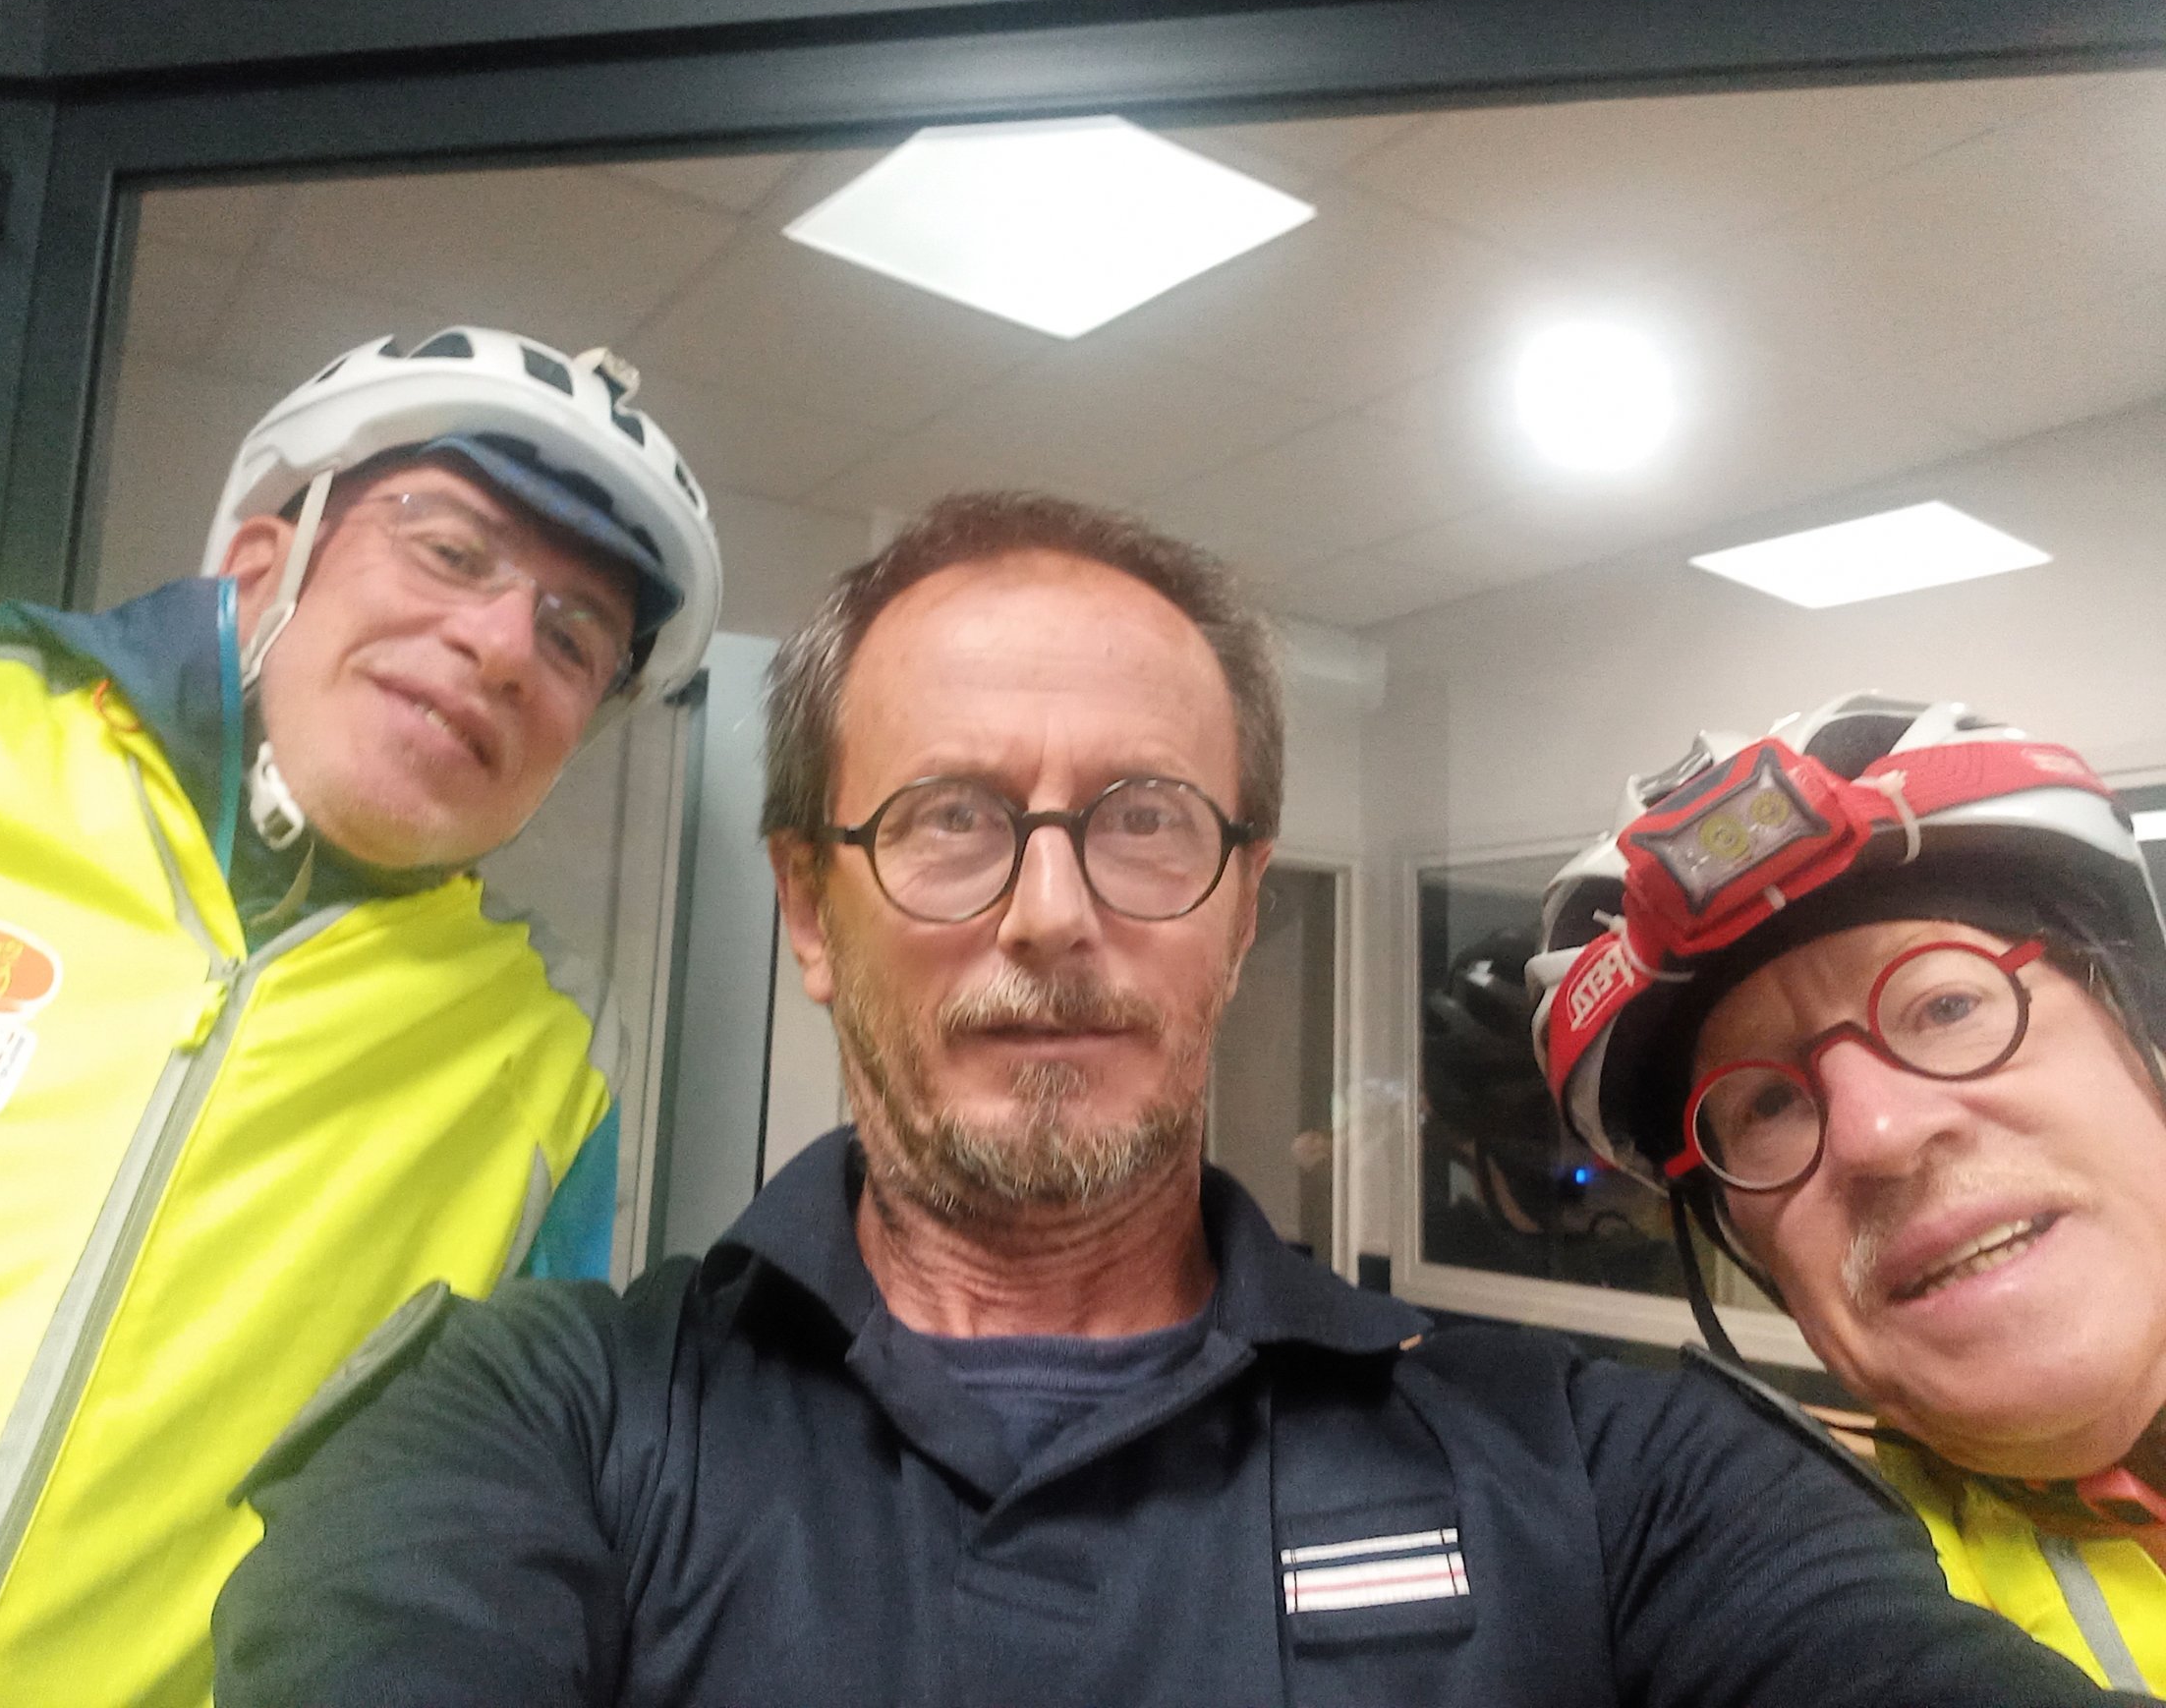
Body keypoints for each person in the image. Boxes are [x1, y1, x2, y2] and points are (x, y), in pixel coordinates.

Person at [214, 498, 2120, 1706]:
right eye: (950, 820)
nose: (1052, 914)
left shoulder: (1608, 1470)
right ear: (808, 909)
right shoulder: (529, 1425)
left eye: (1142, 822)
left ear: (1237, 908)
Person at [0, 326, 720, 1706]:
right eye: (450, 550)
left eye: (572, 637)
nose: (500, 646)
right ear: (259, 561)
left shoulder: (547, 1077)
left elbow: (469, 1535)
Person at [1530, 693, 2166, 1691]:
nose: (1878, 1135)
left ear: (2147, 1040)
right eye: (1767, 1105)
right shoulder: (1805, 1598)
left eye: (1946, 1005)